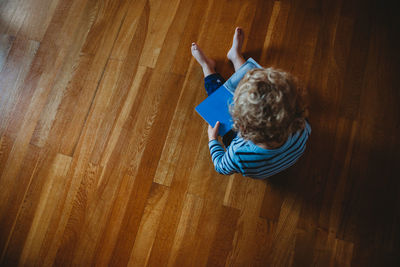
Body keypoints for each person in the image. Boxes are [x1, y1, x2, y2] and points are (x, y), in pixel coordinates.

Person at [191, 27, 311, 179]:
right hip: (279, 149)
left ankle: (207, 66)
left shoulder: (239, 153)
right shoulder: (302, 126)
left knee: (217, 94)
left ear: (242, 129)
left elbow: (220, 166)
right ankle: (235, 56)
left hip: (251, 154)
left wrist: (212, 140)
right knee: (253, 80)